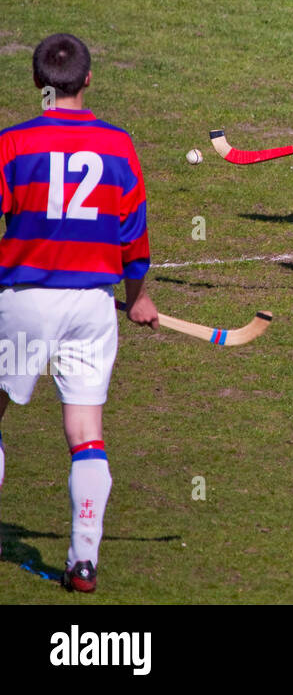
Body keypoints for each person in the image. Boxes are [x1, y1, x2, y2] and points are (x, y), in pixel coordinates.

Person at [0, 34, 159, 594]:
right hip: (92, 306)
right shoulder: (118, 145)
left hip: (23, 300)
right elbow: (134, 238)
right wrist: (137, 296)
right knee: (86, 432)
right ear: (88, 80)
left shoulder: (13, 144)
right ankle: (83, 560)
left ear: (36, 83)